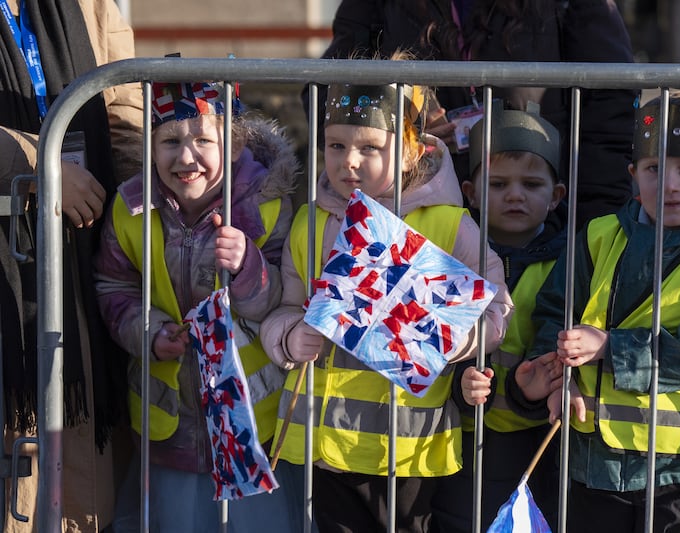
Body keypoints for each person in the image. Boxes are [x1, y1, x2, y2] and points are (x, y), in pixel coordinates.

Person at [259, 73, 513, 532]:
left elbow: (497, 308)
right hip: (324, 443)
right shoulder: (307, 222)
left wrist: (457, 337)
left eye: (369, 148)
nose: (348, 162)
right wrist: (290, 335)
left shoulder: (451, 225)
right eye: (335, 146)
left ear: (412, 150)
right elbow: (286, 306)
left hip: (408, 448)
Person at [509, 90, 680, 532]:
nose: (670, 184)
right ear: (634, 174)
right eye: (654, 169)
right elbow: (555, 311)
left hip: (677, 467)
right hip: (593, 460)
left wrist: (609, 346)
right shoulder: (599, 236)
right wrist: (554, 375)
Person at [93, 80, 299, 532]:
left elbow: (287, 299)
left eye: (204, 140)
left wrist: (249, 265)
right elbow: (114, 286)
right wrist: (148, 333)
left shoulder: (267, 206)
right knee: (176, 521)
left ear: (236, 141)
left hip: (253, 428)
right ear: (149, 145)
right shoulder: (130, 208)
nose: (186, 158)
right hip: (171, 425)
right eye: (169, 141)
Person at [0, 0, 142, 531]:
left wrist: (138, 213)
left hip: (81, 258)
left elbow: (123, 107)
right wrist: (41, 164)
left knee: (81, 469)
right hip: (7, 268)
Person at [310, 0, 636, 229]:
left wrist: (594, 227)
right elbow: (329, 89)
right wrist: (408, 123)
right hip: (426, 218)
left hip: (545, 222)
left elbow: (611, 107)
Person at [431, 103, 567, 531]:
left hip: (540, 440)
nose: (514, 195)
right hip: (462, 433)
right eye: (498, 183)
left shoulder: (571, 261)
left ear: (556, 195)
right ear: (470, 192)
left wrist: (532, 389)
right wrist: (459, 383)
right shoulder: (450, 255)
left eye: (531, 184)